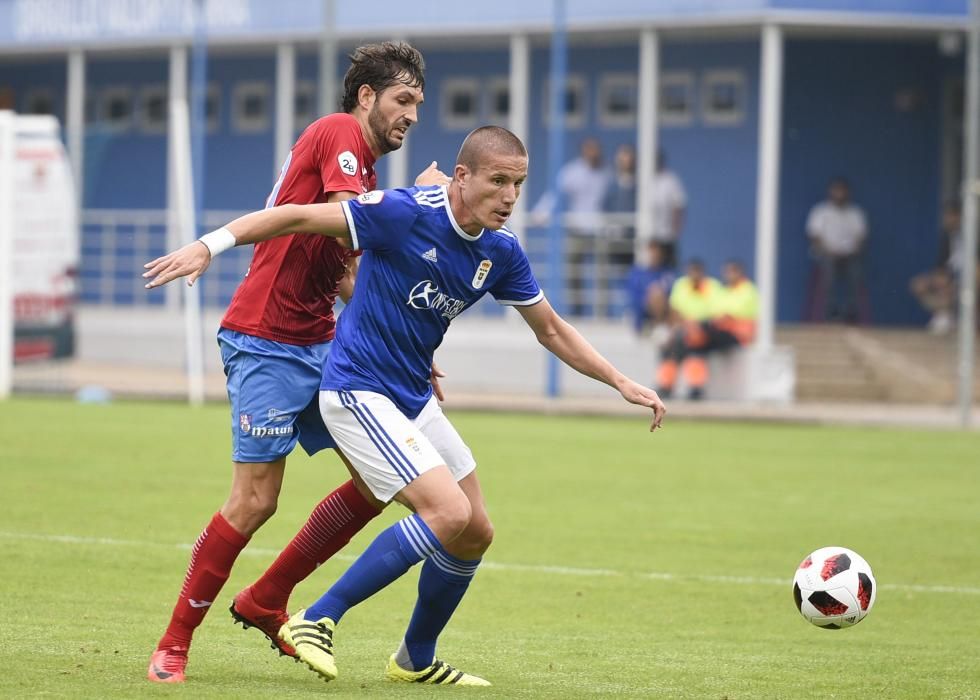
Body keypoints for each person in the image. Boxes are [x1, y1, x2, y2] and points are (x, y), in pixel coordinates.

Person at [143, 125, 666, 687]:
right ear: (462, 177)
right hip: (357, 387)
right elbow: (294, 216)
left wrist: (619, 380)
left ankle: (413, 656)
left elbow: (553, 331)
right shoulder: (401, 212)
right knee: (443, 513)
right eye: (498, 181)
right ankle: (315, 618)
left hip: (411, 395)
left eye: (518, 183)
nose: (510, 196)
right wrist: (208, 245)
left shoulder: (501, 250)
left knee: (475, 530)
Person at [144, 41, 449, 685]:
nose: (412, 115)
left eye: (418, 104)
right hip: (265, 338)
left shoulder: (364, 172)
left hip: (322, 344)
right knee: (255, 502)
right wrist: (426, 209)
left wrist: (401, 342)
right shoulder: (340, 133)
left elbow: (346, 269)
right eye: (402, 100)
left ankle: (265, 599)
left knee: (378, 480)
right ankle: (174, 642)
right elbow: (346, 227)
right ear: (367, 97)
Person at [531, 136, 612, 315]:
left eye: (595, 150)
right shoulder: (573, 171)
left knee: (602, 272)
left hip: (599, 229)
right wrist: (542, 212)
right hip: (577, 228)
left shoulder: (606, 173)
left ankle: (602, 312)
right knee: (574, 270)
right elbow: (555, 193)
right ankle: (577, 310)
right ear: (583, 151)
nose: (593, 154)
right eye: (589, 150)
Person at [656, 260, 758, 400]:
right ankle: (689, 387)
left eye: (732, 272)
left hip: (734, 333)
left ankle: (671, 386)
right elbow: (676, 312)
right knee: (688, 346)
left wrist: (695, 327)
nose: (728, 275)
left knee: (690, 342)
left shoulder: (744, 289)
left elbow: (724, 315)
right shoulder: (721, 289)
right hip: (698, 330)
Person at [806, 177, 868, 323]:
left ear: (847, 193)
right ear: (830, 192)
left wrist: (852, 250)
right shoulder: (821, 211)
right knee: (829, 275)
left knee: (856, 273)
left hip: (850, 255)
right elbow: (814, 236)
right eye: (836, 191)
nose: (839, 194)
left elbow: (861, 237)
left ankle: (851, 312)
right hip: (827, 254)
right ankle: (831, 312)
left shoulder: (855, 213)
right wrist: (828, 251)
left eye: (842, 191)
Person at [910, 200, 964, 334]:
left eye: (949, 215)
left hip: (967, 277)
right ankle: (944, 315)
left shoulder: (973, 234)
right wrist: (941, 277)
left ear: (959, 217)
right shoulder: (947, 237)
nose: (946, 219)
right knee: (919, 284)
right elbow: (941, 265)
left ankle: (956, 318)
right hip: (951, 276)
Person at [626, 240, 676, 338]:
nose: (654, 256)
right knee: (655, 294)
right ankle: (657, 327)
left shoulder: (667, 273)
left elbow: (673, 293)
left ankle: (668, 330)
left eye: (657, 253)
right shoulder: (637, 273)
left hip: (667, 309)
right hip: (645, 309)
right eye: (651, 253)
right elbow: (633, 297)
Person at [646, 149, 686, 267]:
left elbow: (679, 205)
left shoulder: (670, 180)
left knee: (668, 266)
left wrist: (675, 230)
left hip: (666, 235)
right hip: (649, 233)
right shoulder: (644, 178)